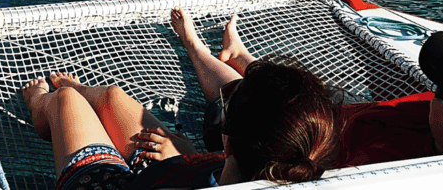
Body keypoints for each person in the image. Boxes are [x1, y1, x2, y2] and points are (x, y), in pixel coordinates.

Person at [174, 7, 443, 169]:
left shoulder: (382, 162)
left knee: (239, 99)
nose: (432, 91)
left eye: (440, 91)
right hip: (337, 113)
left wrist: (194, 158)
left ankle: (196, 47)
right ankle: (243, 57)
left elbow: (279, 164)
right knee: (278, 86)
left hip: (292, 130)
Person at [21, 57, 339, 190]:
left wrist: (181, 164)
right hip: (177, 171)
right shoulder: (284, 167)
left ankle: (40, 104)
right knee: (112, 98)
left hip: (117, 185)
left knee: (65, 100)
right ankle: (80, 99)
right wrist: (185, 154)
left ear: (227, 141)